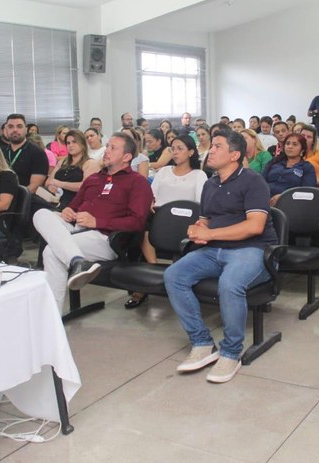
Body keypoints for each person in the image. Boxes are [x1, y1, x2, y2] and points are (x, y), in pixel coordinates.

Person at [163, 130, 278, 383]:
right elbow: (206, 219)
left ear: (235, 154)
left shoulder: (253, 181)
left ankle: (231, 352)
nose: (210, 150)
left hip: (252, 249)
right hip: (214, 249)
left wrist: (211, 234)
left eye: (217, 146)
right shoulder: (210, 183)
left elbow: (254, 227)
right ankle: (202, 343)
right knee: (173, 275)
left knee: (230, 283)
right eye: (211, 146)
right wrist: (198, 229)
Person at [33, 133, 153, 310]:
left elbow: (136, 222)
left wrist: (98, 222)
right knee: (41, 214)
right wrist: (68, 211)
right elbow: (74, 206)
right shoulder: (94, 178)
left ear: (127, 157)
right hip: (76, 228)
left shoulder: (137, 182)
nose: (106, 151)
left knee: (52, 252)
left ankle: (52, 316)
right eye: (107, 146)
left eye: (113, 148)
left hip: (105, 238)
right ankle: (77, 261)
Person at [126, 135, 208, 309]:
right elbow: (151, 195)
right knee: (142, 221)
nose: (175, 152)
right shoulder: (163, 171)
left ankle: (171, 279)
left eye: (180, 148)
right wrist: (149, 203)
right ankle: (152, 268)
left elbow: (200, 203)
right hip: (160, 217)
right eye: (173, 149)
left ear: (191, 152)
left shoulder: (198, 175)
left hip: (185, 218)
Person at [43, 129, 98, 210]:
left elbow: (84, 186)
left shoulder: (90, 163)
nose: (70, 145)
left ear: (83, 143)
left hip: (74, 204)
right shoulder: (63, 161)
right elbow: (48, 181)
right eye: (68, 143)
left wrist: (59, 183)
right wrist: (50, 186)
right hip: (54, 199)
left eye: (74, 142)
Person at [262, 133, 317, 205]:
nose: (290, 146)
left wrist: (284, 196)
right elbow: (261, 180)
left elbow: (307, 192)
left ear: (302, 150)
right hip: (264, 200)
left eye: (295, 144)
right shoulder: (274, 162)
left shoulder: (307, 167)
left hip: (291, 204)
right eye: (287, 144)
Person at [1, 114, 48, 193]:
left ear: (26, 129)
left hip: (25, 200)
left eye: (19, 126)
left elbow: (34, 186)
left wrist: (13, 198)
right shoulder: (1, 152)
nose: (15, 130)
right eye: (10, 126)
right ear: (6, 129)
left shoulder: (38, 153)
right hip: (1, 197)